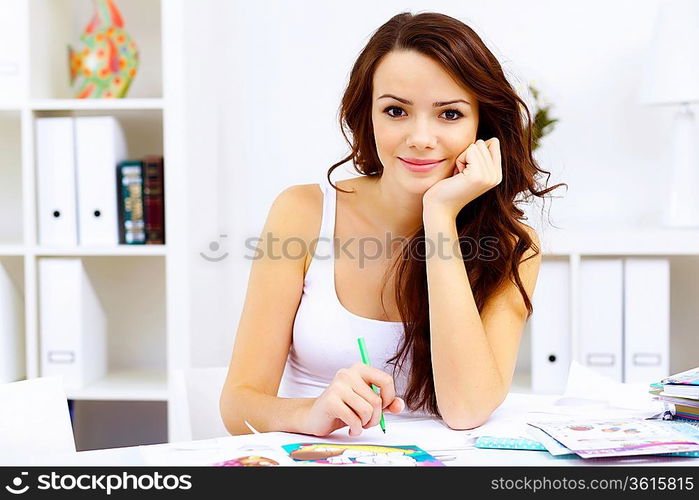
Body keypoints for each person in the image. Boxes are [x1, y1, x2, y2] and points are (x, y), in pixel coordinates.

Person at [220, 11, 565, 437]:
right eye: (396, 110)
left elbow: (466, 408)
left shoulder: (513, 245)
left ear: (483, 124)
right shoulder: (303, 212)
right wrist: (311, 413)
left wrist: (439, 216)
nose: (420, 137)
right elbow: (238, 405)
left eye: (450, 114)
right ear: (368, 115)